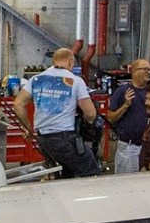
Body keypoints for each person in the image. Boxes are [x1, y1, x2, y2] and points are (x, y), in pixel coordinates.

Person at [14, 47, 102, 178]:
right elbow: (90, 113)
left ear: (54, 61)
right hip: (64, 138)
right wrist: (89, 123)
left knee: (65, 172)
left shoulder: (36, 79)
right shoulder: (75, 81)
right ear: (71, 60)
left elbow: (18, 104)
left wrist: (28, 128)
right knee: (89, 168)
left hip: (43, 139)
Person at [104, 59, 150, 174]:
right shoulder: (122, 92)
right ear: (134, 71)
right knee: (127, 182)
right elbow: (110, 118)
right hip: (129, 148)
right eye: (145, 69)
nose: (148, 72)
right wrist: (125, 105)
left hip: (148, 148)